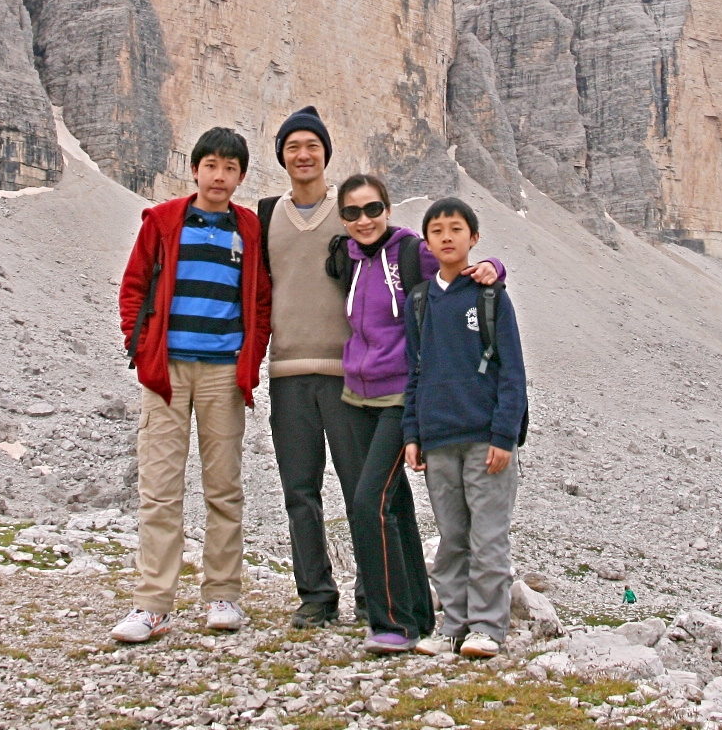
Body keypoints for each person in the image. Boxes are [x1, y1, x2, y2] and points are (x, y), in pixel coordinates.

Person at [111, 127, 273, 645]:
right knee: (159, 490)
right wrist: (142, 351)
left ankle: (222, 594)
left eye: (230, 168)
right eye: (211, 166)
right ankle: (152, 603)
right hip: (168, 373)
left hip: (224, 373)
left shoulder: (249, 229)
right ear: (195, 169)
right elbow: (134, 286)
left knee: (224, 487)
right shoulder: (162, 221)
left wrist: (251, 358)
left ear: (241, 176)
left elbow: (262, 302)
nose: (219, 176)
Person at [333, 175, 502, 655]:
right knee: (395, 506)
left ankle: (394, 625)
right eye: (352, 213)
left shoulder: (413, 251)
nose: (363, 221)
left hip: (401, 399)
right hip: (357, 397)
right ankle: (419, 615)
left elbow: (463, 270)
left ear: (387, 209)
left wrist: (495, 266)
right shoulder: (348, 257)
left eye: (372, 210)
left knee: (369, 502)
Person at [256, 106, 370, 628]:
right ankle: (317, 595)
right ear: (281, 156)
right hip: (287, 373)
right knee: (299, 489)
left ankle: (373, 592)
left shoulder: (351, 214)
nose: (303, 155)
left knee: (360, 487)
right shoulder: (263, 215)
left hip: (348, 374)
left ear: (326, 153)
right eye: (293, 147)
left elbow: (406, 259)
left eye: (312, 146)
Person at [402, 196, 528, 660]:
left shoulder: (491, 296)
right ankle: (453, 627)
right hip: (438, 440)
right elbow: (414, 371)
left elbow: (512, 372)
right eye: (437, 230)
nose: (447, 237)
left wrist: (503, 437)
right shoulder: (420, 301)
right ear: (427, 242)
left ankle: (488, 629)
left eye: (456, 229)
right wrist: (412, 434)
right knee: (452, 538)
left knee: (488, 535)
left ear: (474, 238)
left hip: (484, 440)